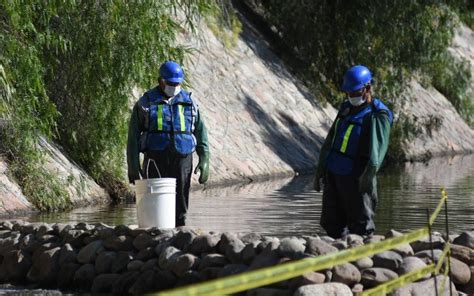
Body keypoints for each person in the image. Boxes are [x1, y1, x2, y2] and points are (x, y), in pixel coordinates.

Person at [314, 65, 393, 239]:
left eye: (355, 93)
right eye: (348, 93)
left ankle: (360, 260)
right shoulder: (345, 108)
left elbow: (377, 154)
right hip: (334, 173)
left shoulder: (378, 115)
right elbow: (330, 140)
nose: (351, 97)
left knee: (361, 225)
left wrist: (367, 177)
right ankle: (333, 254)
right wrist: (320, 170)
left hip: (358, 176)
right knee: (331, 223)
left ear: (368, 88)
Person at [127, 60, 209, 227]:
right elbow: (133, 137)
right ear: (161, 81)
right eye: (170, 83)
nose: (174, 86)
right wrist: (133, 164)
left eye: (177, 83)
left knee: (181, 201)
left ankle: (180, 232)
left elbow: (201, 132)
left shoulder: (190, 103)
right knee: (154, 199)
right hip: (155, 158)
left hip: (182, 158)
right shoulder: (146, 103)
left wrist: (204, 159)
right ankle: (153, 235)